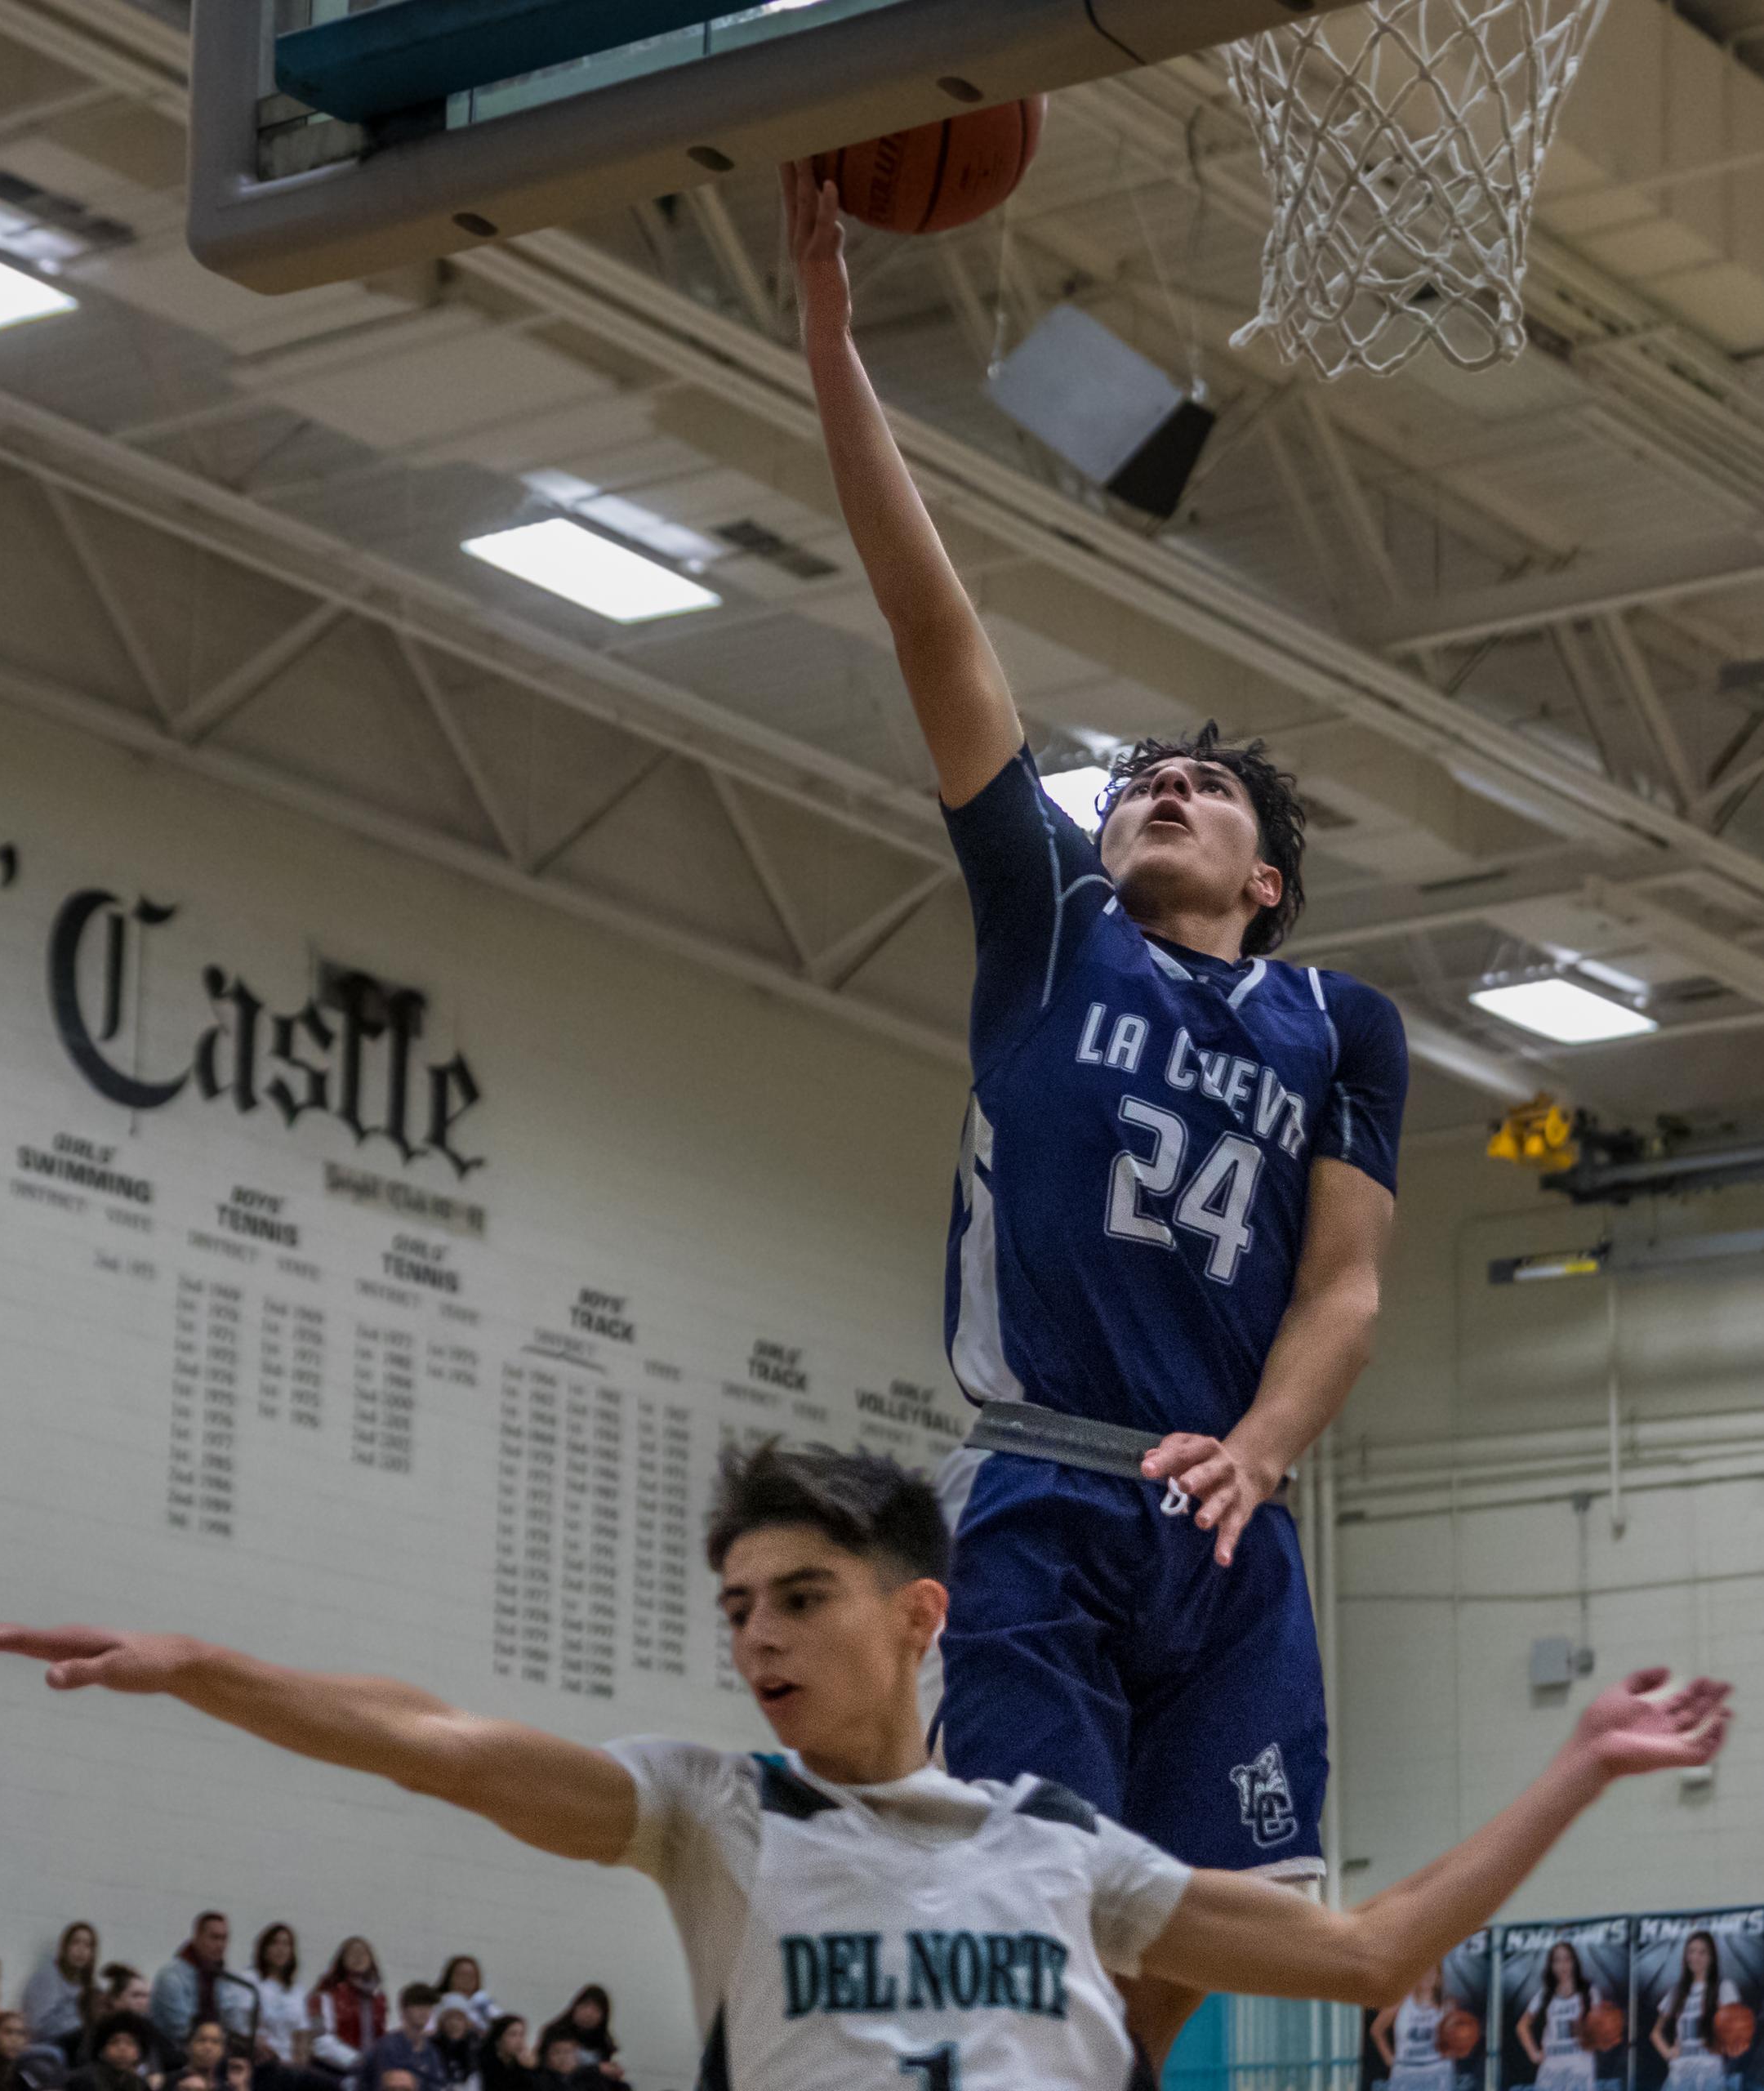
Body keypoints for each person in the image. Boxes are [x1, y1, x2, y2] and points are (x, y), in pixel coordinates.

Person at [782, 158, 1413, 2053]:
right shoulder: (1051, 925)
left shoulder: (1343, 1022)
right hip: (1050, 1479)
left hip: (1224, 1516)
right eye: (1135, 772)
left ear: (1267, 874)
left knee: (1196, 1943)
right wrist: (831, 348)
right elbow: (940, 635)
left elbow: (1347, 1285)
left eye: (1202, 788)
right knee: (1044, 1907)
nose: (1157, 785)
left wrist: (1270, 1445)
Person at [0, 1440, 1733, 2088]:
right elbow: (440, 1745)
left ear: (919, 1612)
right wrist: (200, 1666)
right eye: (737, 1607)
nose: (760, 1637)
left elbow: (1369, 1959)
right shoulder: (716, 1812)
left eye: (802, 1596)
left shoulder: (1066, 1846)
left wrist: (1574, 1761)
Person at [1653, 1933, 1740, 2091]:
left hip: (1711, 2073)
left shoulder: (1724, 1988)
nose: (1696, 1957)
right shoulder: (1677, 1992)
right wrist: (1669, 2054)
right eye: (1691, 1951)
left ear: (1711, 1957)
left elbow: (1737, 2032)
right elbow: (1655, 2033)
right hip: (1680, 2074)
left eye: (1702, 1952)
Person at [152, 1923, 252, 2054]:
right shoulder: (171, 1976)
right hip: (175, 2053)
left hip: (219, 2050)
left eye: (224, 1939)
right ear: (197, 1938)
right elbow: (180, 2029)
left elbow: (235, 2022)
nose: (220, 1945)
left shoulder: (227, 1979)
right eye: (214, 1938)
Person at [1517, 1942, 1601, 2091]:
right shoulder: (1544, 1995)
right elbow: (1522, 2026)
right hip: (1551, 2071)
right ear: (1551, 1966)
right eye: (1557, 1960)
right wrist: (1534, 2054)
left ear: (1574, 1962)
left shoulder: (1589, 1992)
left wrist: (1585, 2030)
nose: (1563, 1965)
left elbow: (1597, 2028)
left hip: (1580, 2070)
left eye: (1567, 1959)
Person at [305, 1947, 384, 2082]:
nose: (358, 1957)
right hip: (331, 2075)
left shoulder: (379, 1999)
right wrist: (359, 2061)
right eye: (352, 1953)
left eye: (363, 1953)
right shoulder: (323, 1995)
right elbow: (319, 2040)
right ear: (342, 1960)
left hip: (367, 2077)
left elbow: (379, 2037)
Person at [1373, 1969, 1454, 2091]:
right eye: (1423, 1971)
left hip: (1438, 2073)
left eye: (1432, 1972)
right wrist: (1389, 2059)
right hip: (1406, 2074)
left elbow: (1456, 2037)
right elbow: (1377, 2030)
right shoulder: (1400, 2002)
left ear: (1438, 1977)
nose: (1428, 1976)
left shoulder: (1447, 2005)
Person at [23, 1931, 97, 2057]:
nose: (81, 1950)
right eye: (76, 1943)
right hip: (49, 2044)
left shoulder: (92, 1985)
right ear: (64, 1947)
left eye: (87, 1945)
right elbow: (37, 2025)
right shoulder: (47, 1977)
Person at [354, 1991, 442, 2091]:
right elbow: (389, 2082)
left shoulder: (431, 2051)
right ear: (404, 2010)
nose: (423, 2011)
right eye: (418, 2005)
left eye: (428, 2006)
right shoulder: (388, 2046)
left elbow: (436, 2083)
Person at [250, 1934, 307, 2073]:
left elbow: (302, 2033)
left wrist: (299, 2064)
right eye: (275, 1943)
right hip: (262, 2061)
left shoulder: (297, 1990)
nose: (280, 1949)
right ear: (264, 1949)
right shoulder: (252, 1980)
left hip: (290, 2063)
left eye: (286, 1944)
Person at [530, 1999, 617, 2085]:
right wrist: (596, 2070)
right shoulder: (555, 2032)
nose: (589, 2013)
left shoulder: (603, 2042)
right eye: (585, 2006)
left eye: (596, 2010)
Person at [65, 2018, 147, 2091]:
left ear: (138, 2053)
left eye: (130, 2043)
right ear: (101, 2051)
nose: (122, 2049)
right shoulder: (85, 2081)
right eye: (114, 2042)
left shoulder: (139, 2084)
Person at [472, 2019, 532, 2091]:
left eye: (522, 2035)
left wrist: (529, 2069)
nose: (519, 2041)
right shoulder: (481, 2062)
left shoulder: (521, 2067)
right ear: (499, 2038)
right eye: (513, 2035)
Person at [527, 2042, 614, 2091]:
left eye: (568, 2052)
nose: (563, 2057)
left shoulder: (594, 2081)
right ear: (547, 2058)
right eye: (557, 2052)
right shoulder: (539, 2082)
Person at [425, 2008, 476, 2091]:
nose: (454, 2024)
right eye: (449, 2020)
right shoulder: (433, 2046)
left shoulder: (474, 2045)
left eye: (459, 2020)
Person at [429, 1976, 492, 2041]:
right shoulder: (431, 2045)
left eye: (459, 2019)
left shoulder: (477, 2045)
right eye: (449, 2018)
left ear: (467, 2023)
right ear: (441, 2023)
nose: (454, 2023)